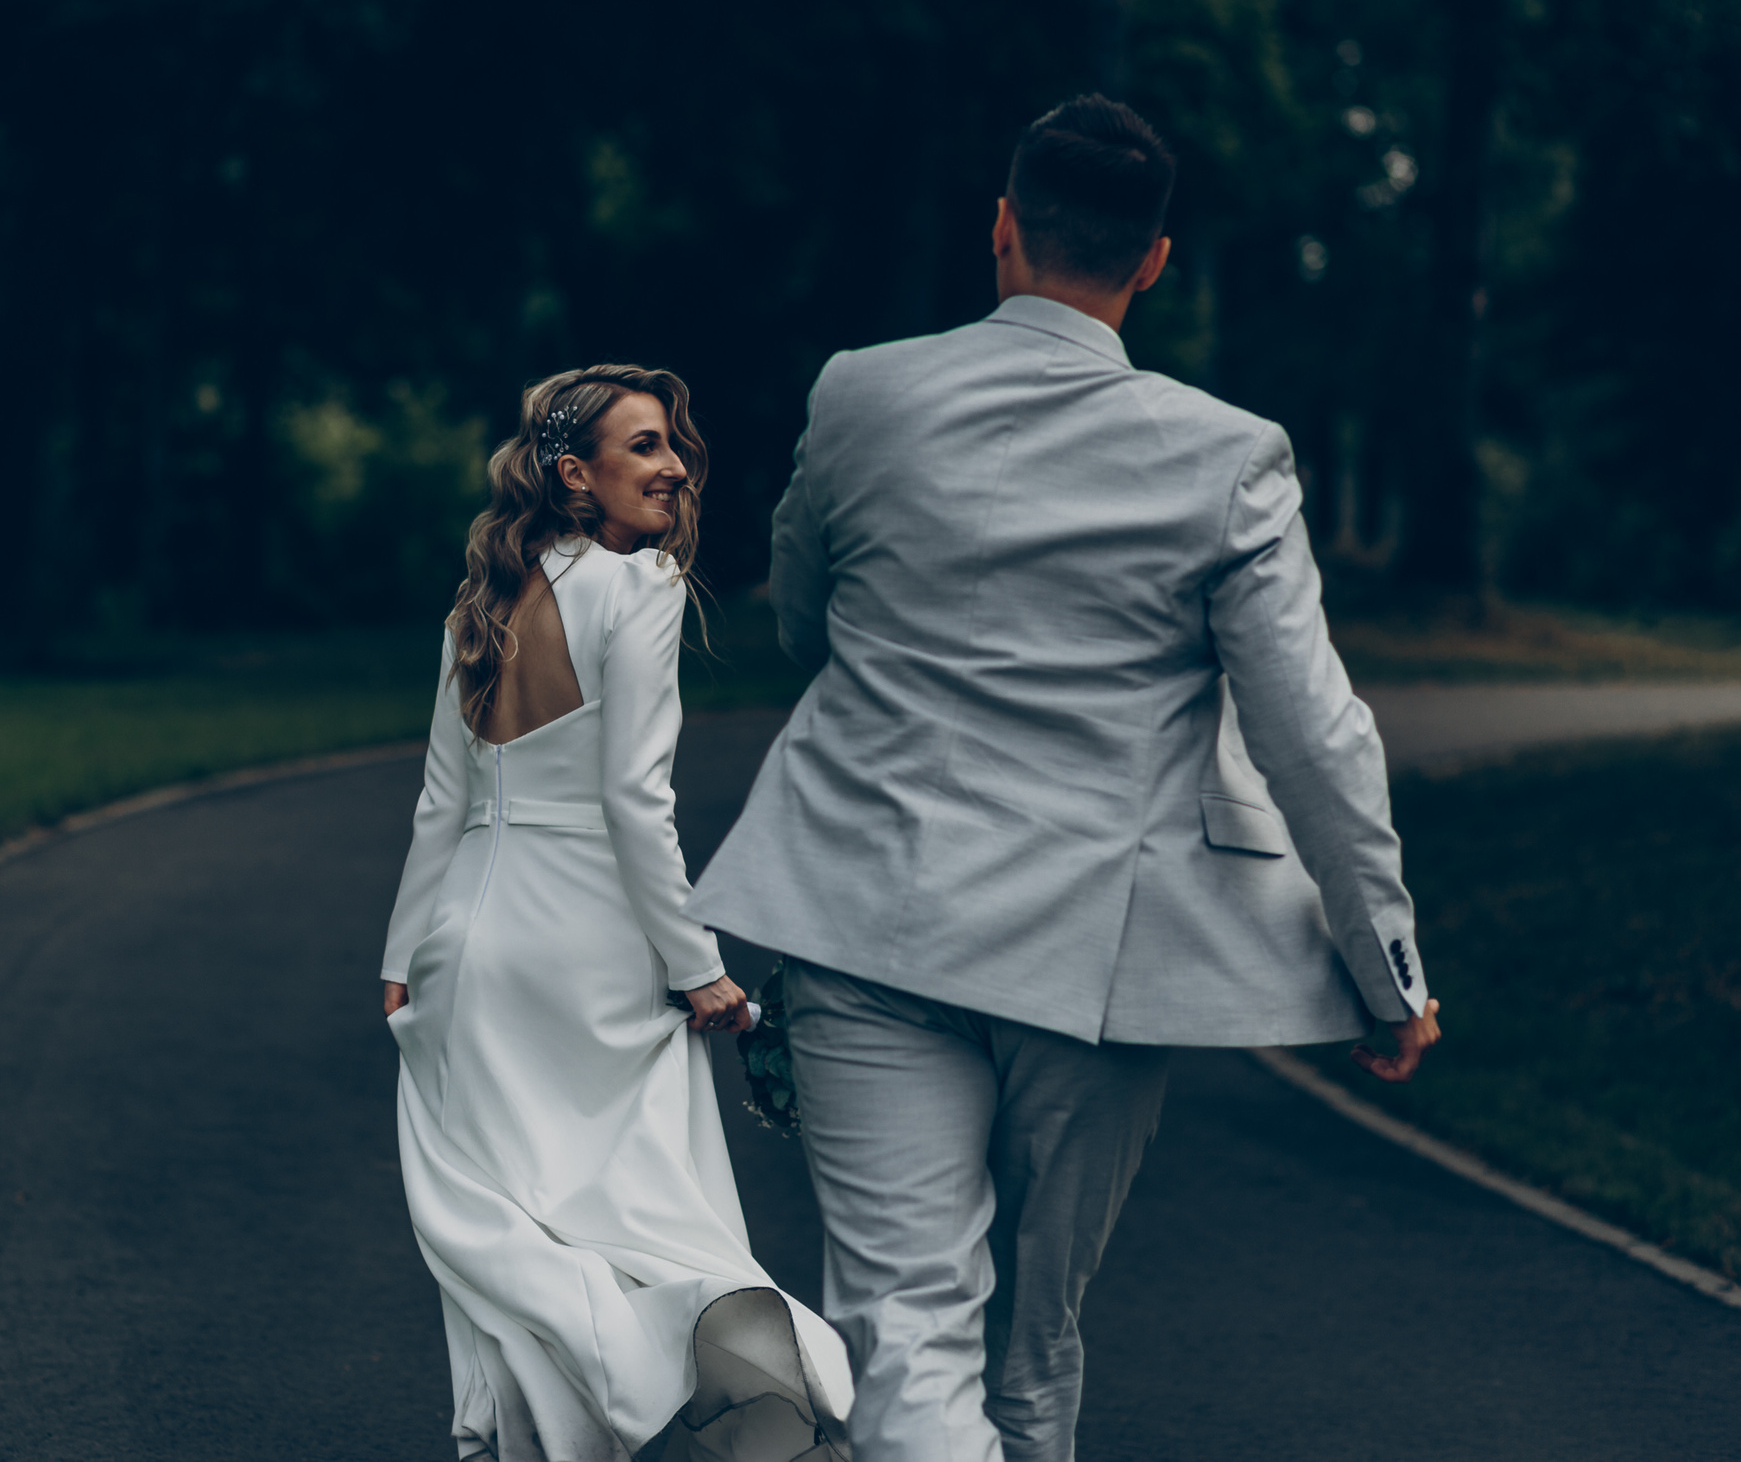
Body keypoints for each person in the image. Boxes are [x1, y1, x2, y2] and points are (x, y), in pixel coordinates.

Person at [687, 96, 1444, 1462]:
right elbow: (1313, 734)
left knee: (903, 1328)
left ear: (1001, 228)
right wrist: (1385, 970)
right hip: (1096, 953)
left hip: (865, 910)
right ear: (1154, 262)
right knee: (1031, 1348)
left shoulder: (860, 392)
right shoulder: (1229, 457)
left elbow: (805, 621)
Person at [380, 365, 856, 1462]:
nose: (676, 466)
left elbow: (442, 802)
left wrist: (402, 956)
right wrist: (698, 966)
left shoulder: (478, 606)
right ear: (572, 475)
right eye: (645, 445)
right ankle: (744, 1400)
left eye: (673, 444)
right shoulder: (640, 588)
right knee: (649, 1208)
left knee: (512, 1220)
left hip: (466, 951)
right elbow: (635, 802)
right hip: (589, 946)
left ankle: (527, 1436)